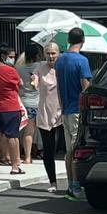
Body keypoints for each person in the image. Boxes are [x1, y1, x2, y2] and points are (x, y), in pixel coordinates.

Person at [55, 27, 92, 201]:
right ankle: (76, 187)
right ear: (83, 40)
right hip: (78, 109)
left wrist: (62, 107)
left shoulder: (60, 60)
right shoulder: (82, 61)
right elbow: (85, 86)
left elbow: (59, 88)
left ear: (68, 40)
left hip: (66, 108)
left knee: (70, 150)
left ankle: (71, 185)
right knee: (77, 149)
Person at [0, 51, 24, 175]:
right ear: (4, 56)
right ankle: (14, 166)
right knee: (12, 137)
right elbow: (20, 84)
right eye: (11, 57)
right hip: (10, 107)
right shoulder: (11, 71)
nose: (13, 59)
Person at [35, 42, 63, 193]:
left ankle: (74, 182)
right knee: (49, 149)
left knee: (68, 149)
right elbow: (35, 80)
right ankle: (53, 182)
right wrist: (33, 82)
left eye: (53, 53)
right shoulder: (40, 68)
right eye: (48, 53)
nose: (51, 56)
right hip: (46, 113)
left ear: (59, 53)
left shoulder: (63, 67)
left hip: (63, 112)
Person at [16, 43, 42, 165]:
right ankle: (29, 156)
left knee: (25, 131)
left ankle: (26, 156)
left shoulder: (19, 69)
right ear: (37, 55)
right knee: (40, 132)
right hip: (38, 102)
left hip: (24, 101)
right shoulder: (40, 66)